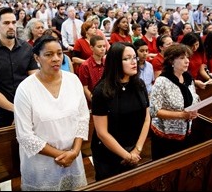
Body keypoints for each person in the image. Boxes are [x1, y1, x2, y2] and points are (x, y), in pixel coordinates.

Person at [13, 35, 89, 191]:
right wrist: (61, 155)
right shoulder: (25, 89)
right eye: (49, 55)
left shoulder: (73, 80)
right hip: (42, 164)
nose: (56, 59)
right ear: (37, 58)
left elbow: (82, 118)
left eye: (59, 53)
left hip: (72, 158)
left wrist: (74, 151)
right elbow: (25, 135)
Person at [91, 42, 151, 181]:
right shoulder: (101, 91)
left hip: (134, 148)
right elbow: (102, 133)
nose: (133, 62)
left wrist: (137, 150)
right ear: (115, 62)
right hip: (108, 152)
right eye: (126, 58)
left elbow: (146, 118)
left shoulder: (139, 84)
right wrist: (126, 156)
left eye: (134, 57)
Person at [0, 7, 39, 129]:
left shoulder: (26, 48)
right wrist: (15, 110)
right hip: (1, 111)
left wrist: (26, 109)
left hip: (27, 107)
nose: (11, 26)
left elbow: (35, 80)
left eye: (13, 22)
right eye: (6, 23)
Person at [149, 43, 200, 160]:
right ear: (172, 61)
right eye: (182, 58)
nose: (187, 61)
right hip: (165, 137)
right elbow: (153, 110)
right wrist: (182, 115)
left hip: (186, 132)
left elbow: (194, 97)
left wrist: (195, 109)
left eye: (188, 57)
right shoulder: (162, 81)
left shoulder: (187, 77)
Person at [78, 35, 106, 104]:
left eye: (104, 46)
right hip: (93, 101)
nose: (103, 49)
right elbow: (85, 88)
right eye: (99, 46)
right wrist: (95, 102)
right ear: (91, 48)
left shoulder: (107, 62)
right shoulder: (85, 65)